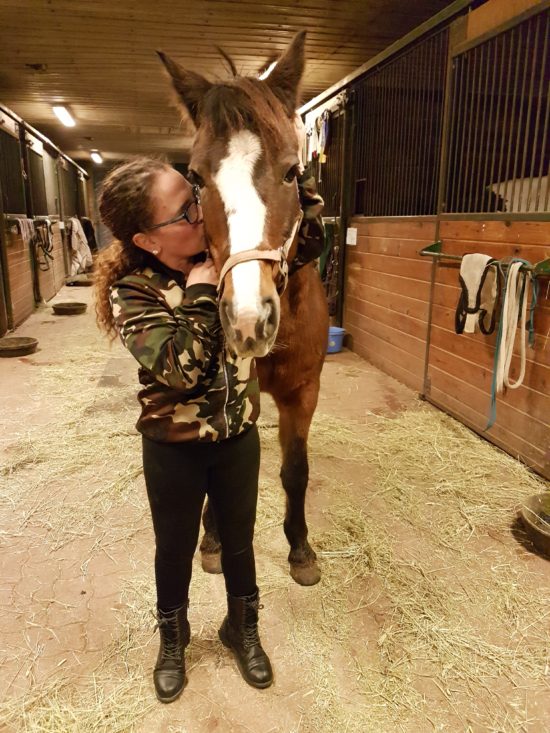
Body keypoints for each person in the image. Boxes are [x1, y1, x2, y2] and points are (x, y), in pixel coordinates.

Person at [94, 156, 272, 704]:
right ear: (149, 239)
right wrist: (198, 292)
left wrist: (284, 181)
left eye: (195, 195)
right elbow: (180, 368)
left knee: (240, 543)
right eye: (186, 209)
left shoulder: (231, 257)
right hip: (175, 446)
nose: (201, 211)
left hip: (239, 435)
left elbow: (294, 244)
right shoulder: (134, 291)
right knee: (173, 547)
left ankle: (241, 628)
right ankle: (173, 638)